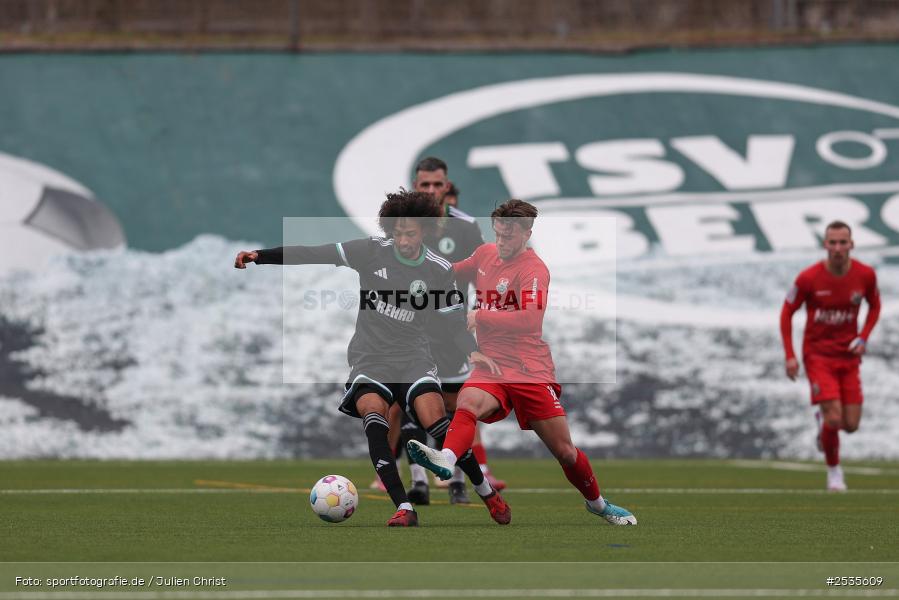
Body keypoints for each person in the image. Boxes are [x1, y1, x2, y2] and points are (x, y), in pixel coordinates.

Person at [234, 189, 510, 526]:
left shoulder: (438, 270)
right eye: (397, 233)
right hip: (370, 358)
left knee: (437, 422)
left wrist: (473, 351)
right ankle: (404, 507)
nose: (403, 240)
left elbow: (453, 321)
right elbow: (313, 253)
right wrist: (260, 256)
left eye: (410, 233)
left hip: (413, 357)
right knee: (375, 421)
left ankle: (484, 490)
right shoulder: (369, 251)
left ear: (424, 231)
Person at [407, 199, 637, 526]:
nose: (501, 242)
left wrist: (480, 315)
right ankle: (445, 460)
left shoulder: (534, 270)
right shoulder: (486, 253)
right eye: (498, 234)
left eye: (509, 237)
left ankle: (598, 504)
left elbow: (530, 320)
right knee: (468, 402)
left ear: (527, 233)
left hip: (529, 369)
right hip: (492, 365)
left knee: (565, 452)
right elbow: (451, 270)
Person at [407, 156, 506, 505]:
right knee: (411, 403)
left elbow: (486, 273)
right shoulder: (405, 225)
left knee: (458, 405)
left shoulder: (465, 228)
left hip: (452, 330)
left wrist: (482, 310)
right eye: (425, 185)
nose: (432, 191)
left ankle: (458, 482)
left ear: (446, 186)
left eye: (438, 185)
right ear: (416, 186)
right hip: (412, 329)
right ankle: (418, 482)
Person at [779, 220, 880, 491]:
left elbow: (875, 305)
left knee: (851, 425)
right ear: (825, 245)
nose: (837, 248)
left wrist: (863, 337)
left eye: (842, 242)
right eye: (832, 242)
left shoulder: (865, 275)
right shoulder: (808, 278)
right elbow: (787, 311)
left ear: (851, 244)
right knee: (835, 419)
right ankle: (834, 473)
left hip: (848, 358)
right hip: (818, 356)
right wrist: (790, 355)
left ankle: (823, 422)